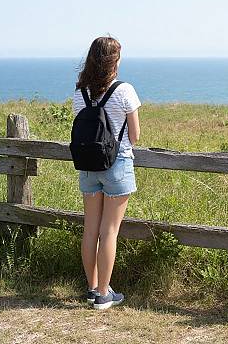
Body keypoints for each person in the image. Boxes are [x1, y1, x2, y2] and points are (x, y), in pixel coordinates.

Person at [72, 36, 141, 310]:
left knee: (90, 229)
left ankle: (92, 288)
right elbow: (134, 136)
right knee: (109, 231)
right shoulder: (124, 91)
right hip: (117, 164)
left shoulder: (80, 92)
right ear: (114, 61)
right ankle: (104, 294)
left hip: (88, 165)